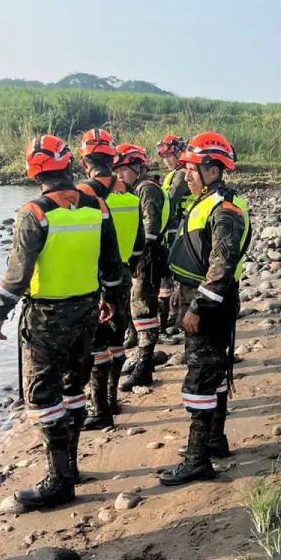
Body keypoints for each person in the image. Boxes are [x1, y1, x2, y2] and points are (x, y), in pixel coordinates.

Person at [0, 135, 123, 509]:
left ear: (34, 173)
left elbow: (18, 272)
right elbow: (111, 261)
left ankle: (60, 480)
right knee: (73, 387)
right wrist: (109, 298)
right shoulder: (97, 206)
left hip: (47, 316)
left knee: (43, 395)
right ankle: (71, 468)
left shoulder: (34, 213)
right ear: (69, 166)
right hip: (86, 311)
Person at [160, 132, 250, 486]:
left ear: (212, 170)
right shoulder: (207, 201)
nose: (186, 175)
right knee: (212, 374)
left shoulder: (224, 210)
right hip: (199, 298)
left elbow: (221, 267)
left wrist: (197, 307)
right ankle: (214, 440)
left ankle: (198, 459)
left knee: (200, 378)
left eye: (193, 169)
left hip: (209, 303)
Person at [76, 128, 145, 430]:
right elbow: (140, 238)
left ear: (83, 162)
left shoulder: (84, 195)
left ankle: (99, 407)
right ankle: (113, 399)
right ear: (113, 160)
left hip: (96, 281)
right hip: (125, 274)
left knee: (96, 347)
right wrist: (137, 264)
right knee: (116, 342)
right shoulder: (128, 193)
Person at [114, 143, 169, 390]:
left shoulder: (146, 189)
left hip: (147, 259)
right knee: (136, 309)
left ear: (137, 168)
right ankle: (137, 347)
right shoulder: (135, 189)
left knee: (144, 311)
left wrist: (137, 258)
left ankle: (143, 366)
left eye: (123, 170)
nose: (118, 175)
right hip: (139, 258)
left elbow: (151, 228)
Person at [157, 133, 193, 329]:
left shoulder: (181, 175)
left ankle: (176, 314)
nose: (166, 161)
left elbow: (170, 200)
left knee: (175, 274)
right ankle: (173, 313)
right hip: (172, 228)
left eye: (169, 156)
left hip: (179, 229)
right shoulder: (177, 173)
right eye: (163, 157)